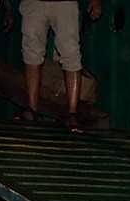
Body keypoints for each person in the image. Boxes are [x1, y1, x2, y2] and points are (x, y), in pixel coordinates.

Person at [17, 0, 101, 130]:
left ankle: (72, 113)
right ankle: (31, 109)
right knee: (31, 52)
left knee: (70, 52)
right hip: (33, 3)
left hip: (65, 3)